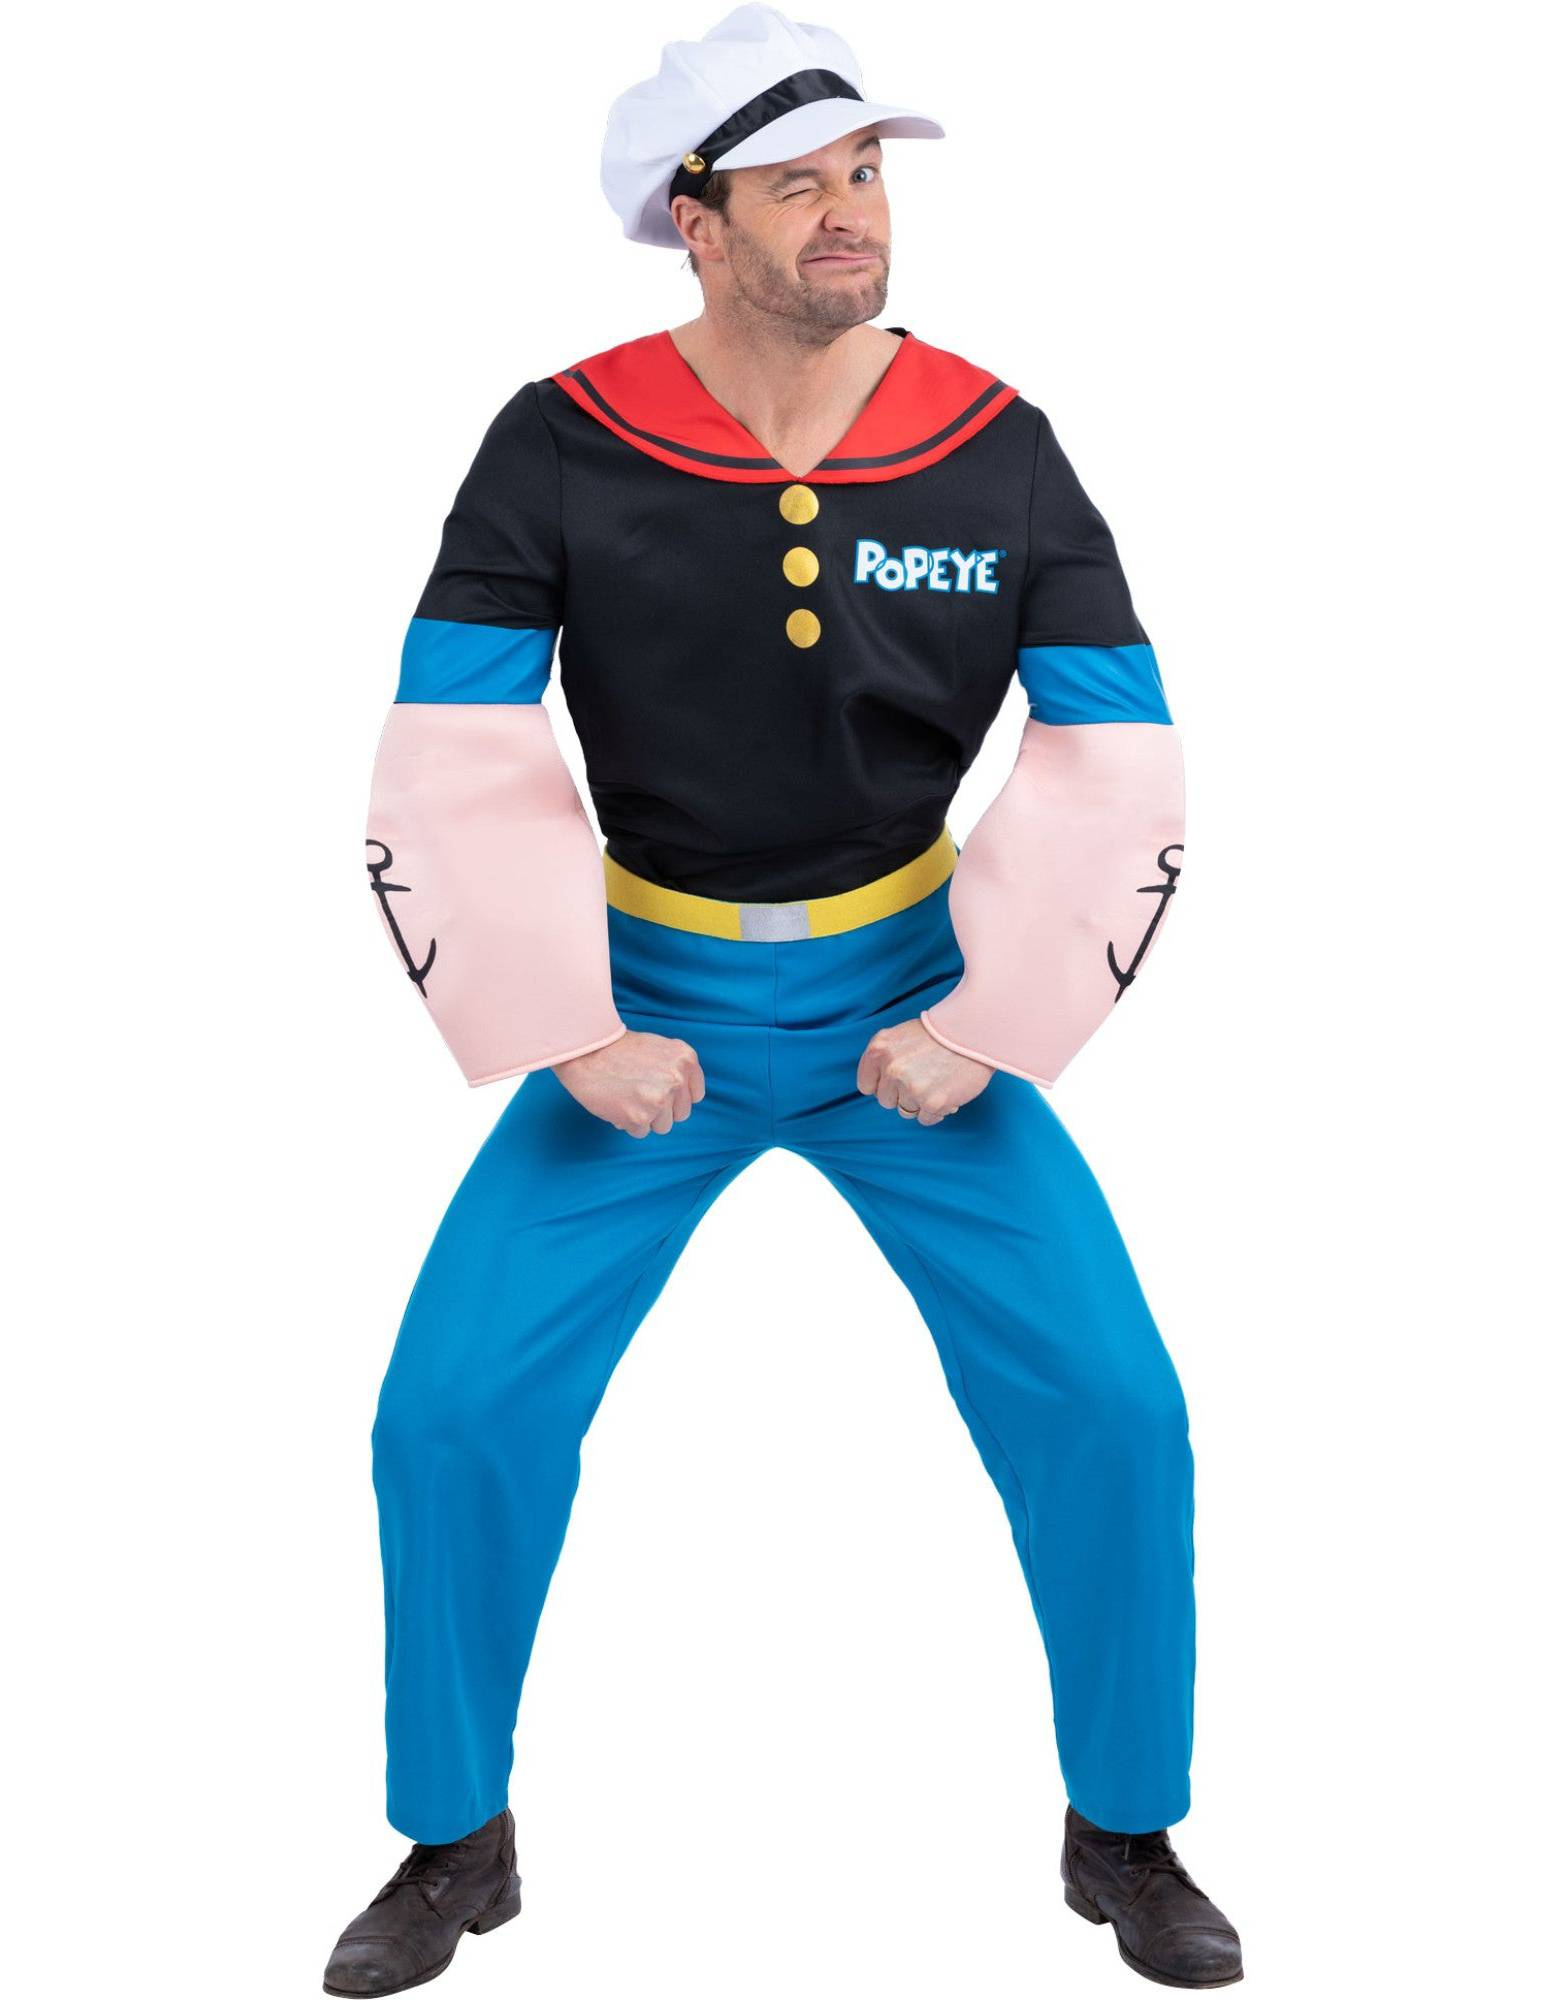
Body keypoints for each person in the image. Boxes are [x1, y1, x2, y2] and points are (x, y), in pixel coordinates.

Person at [325, 6, 1243, 1992]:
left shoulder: (997, 442)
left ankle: (1126, 1824)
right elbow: (450, 740)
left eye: (868, 174)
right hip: (634, 1008)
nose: (853, 213)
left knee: (1112, 1403)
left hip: (918, 1006)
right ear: (696, 218)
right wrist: (564, 1022)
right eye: (799, 184)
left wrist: (987, 1021)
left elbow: (1116, 746)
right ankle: (453, 1833)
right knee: (454, 1409)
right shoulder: (559, 438)